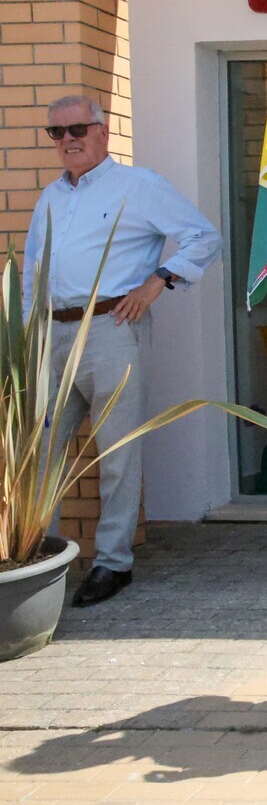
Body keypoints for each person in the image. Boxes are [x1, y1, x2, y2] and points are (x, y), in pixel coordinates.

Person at [22, 94, 222, 607]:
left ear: (102, 132)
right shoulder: (50, 198)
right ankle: (33, 559)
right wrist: (27, 337)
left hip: (113, 328)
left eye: (77, 130)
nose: (68, 140)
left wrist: (157, 281)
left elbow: (203, 237)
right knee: (39, 455)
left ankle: (113, 563)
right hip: (54, 336)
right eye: (57, 133)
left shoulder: (139, 187)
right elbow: (32, 276)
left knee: (116, 453)